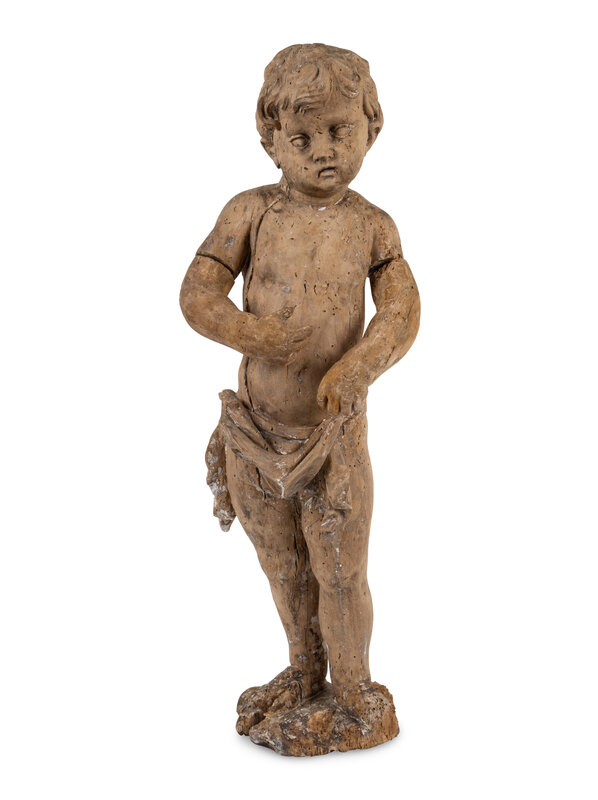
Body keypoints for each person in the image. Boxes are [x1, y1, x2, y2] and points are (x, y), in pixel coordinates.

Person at [180, 43, 420, 755]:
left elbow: (402, 311)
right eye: (303, 136)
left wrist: (358, 369)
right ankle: (305, 667)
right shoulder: (251, 212)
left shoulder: (371, 226)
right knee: (283, 564)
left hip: (332, 435)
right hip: (255, 431)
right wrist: (250, 332)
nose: (323, 151)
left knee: (339, 569)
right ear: (271, 139)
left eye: (340, 131)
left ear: (372, 127)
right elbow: (198, 290)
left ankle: (354, 693)